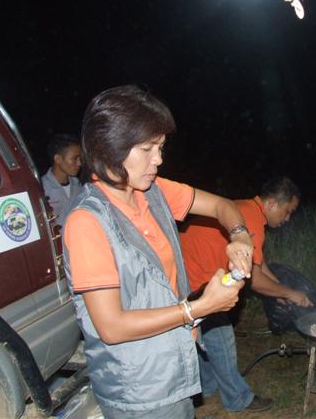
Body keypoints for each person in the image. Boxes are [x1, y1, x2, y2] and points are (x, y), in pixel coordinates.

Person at [63, 85, 254, 419]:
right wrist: (198, 308)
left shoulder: (153, 192)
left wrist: (239, 236)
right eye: (147, 148)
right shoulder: (87, 222)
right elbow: (112, 327)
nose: (159, 159)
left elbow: (223, 206)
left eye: (161, 147)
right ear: (110, 147)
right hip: (138, 390)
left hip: (174, 369)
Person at [180, 176, 312, 413]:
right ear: (272, 204)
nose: (287, 219)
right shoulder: (251, 223)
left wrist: (280, 290)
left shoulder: (246, 209)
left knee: (202, 336)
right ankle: (238, 398)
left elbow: (259, 265)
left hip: (185, 273)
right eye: (287, 212)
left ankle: (206, 386)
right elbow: (256, 281)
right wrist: (291, 294)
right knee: (221, 337)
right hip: (190, 279)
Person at [41, 133, 83, 228]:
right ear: (58, 159)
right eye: (74, 158)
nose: (79, 163)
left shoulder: (79, 186)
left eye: (80, 158)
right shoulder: (42, 189)